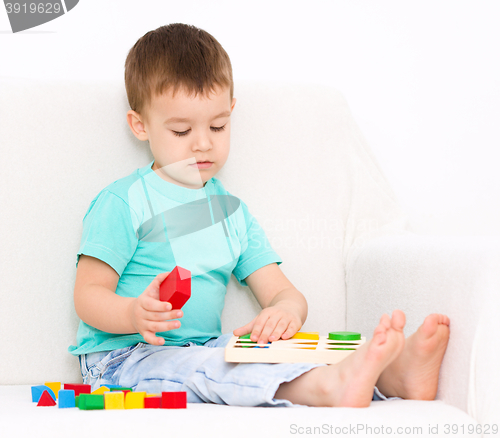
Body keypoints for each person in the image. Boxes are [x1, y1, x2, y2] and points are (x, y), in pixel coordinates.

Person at [69, 23, 450, 407]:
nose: (203, 143)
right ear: (140, 126)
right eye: (182, 131)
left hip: (202, 347)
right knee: (218, 366)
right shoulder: (125, 201)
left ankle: (393, 376)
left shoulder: (230, 212)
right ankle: (325, 388)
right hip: (122, 360)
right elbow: (87, 295)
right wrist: (134, 313)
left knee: (254, 353)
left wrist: (285, 311)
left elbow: (283, 291)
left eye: (218, 125)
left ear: (231, 111)